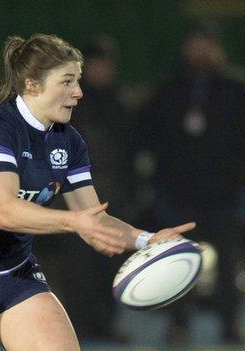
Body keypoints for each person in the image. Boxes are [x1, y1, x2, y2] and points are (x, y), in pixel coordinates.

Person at [0, 34, 195, 351]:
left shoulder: (69, 141)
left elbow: (92, 218)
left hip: (15, 276)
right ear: (32, 84)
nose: (78, 92)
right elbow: (5, 211)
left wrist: (146, 240)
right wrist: (74, 222)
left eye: (78, 81)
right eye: (67, 82)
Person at [137, 22, 245, 345]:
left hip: (223, 193)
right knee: (177, 263)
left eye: (205, 44)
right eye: (194, 44)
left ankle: (229, 325)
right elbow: (150, 136)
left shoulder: (234, 89)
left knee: (227, 263)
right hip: (180, 192)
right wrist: (157, 177)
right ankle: (178, 324)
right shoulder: (170, 89)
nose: (199, 51)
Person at [56, 35, 133, 343]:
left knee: (110, 265)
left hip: (112, 198)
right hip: (77, 202)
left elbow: (128, 154)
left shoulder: (120, 105)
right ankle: (75, 324)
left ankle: (104, 322)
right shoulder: (71, 109)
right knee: (78, 269)